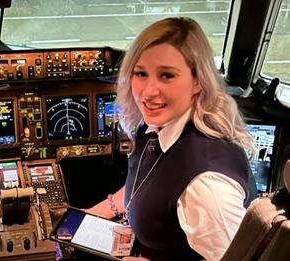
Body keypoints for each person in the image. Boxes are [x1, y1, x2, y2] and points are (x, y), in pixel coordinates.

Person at [86, 17, 257, 261]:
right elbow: (147, 183)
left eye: (166, 75)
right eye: (140, 73)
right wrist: (92, 214)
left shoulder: (206, 185)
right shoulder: (157, 126)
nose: (148, 92)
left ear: (198, 81)